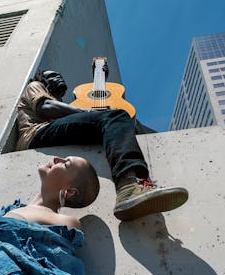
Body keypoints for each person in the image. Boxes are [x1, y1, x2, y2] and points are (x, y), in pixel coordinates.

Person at [16, 69, 189, 222]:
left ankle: (141, 183)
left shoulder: (62, 106)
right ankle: (129, 183)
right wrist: (92, 112)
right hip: (36, 134)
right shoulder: (37, 86)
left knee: (127, 124)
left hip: (50, 133)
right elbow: (45, 107)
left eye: (60, 75)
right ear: (43, 80)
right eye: (52, 76)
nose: (59, 78)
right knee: (114, 116)